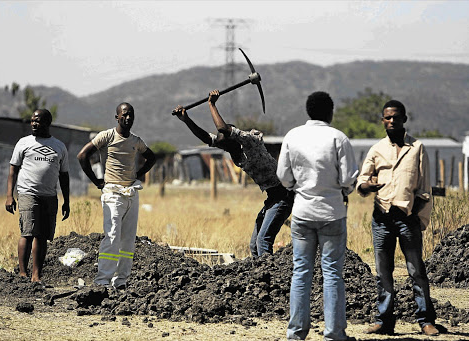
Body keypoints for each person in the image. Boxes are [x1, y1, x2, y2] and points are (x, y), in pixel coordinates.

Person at [276, 91, 358, 341]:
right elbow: (348, 180)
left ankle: (296, 332)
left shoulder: (293, 136)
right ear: (330, 112)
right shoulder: (338, 138)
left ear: (308, 111)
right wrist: (342, 190)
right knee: (332, 273)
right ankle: (334, 333)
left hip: (302, 212)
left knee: (301, 271)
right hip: (332, 212)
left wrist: (297, 187)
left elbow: (283, 176)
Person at [173, 90, 293, 257]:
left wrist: (212, 104)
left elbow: (222, 127)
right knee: (254, 245)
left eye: (222, 136)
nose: (218, 139)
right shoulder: (232, 149)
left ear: (231, 136)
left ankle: (270, 279)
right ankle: (260, 275)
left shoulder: (248, 140)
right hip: (273, 197)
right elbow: (207, 138)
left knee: (263, 241)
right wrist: (186, 120)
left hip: (283, 195)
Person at [357, 100, 439, 336]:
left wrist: (419, 219)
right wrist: (367, 186)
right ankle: (384, 321)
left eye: (395, 117)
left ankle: (425, 320)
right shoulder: (376, 149)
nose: (391, 121)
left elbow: (425, 189)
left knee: (416, 271)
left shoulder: (417, 148)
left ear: (405, 118)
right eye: (387, 117)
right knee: (383, 272)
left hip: (407, 218)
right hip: (382, 218)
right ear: (382, 120)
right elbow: (361, 183)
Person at [77, 102, 156, 289]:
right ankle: (103, 280)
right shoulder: (107, 136)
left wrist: (139, 174)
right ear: (117, 117)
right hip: (112, 193)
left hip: (131, 193)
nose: (128, 118)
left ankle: (121, 281)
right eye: (124, 115)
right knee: (112, 236)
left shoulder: (136, 141)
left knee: (128, 239)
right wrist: (97, 181)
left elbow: (152, 157)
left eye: (131, 115)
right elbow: (82, 155)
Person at [5, 109, 70, 283]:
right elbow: (13, 170)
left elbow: (64, 176)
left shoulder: (59, 146)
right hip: (28, 194)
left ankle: (36, 275)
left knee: (42, 236)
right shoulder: (24, 143)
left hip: (49, 196)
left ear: (48, 123)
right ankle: (22, 273)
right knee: (27, 232)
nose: (34, 124)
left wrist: (67, 201)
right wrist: (9, 196)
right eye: (32, 121)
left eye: (38, 121)